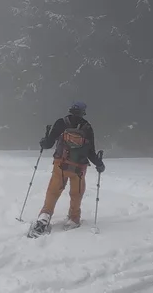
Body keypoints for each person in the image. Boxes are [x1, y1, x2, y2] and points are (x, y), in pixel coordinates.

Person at [28, 101, 105, 236]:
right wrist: (99, 164)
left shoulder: (61, 123)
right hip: (79, 169)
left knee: (53, 192)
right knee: (76, 194)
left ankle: (45, 215)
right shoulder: (87, 127)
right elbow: (90, 152)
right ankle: (73, 218)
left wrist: (43, 142)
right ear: (83, 112)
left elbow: (48, 144)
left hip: (60, 165)